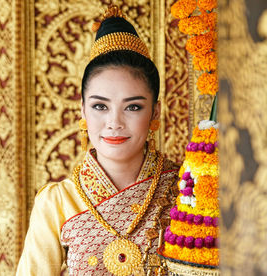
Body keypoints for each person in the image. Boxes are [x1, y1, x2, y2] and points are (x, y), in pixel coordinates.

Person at [17, 5, 179, 275]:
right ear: (82, 109)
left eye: (133, 107)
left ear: (156, 111)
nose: (114, 122)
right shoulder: (58, 203)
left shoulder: (185, 190)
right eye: (100, 107)